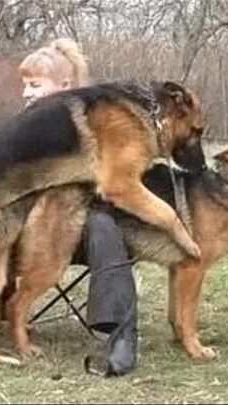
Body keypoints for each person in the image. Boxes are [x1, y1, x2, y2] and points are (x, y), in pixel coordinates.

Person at [16, 38, 140, 377]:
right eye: (24, 86)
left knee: (104, 226)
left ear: (64, 86)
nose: (26, 94)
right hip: (25, 231)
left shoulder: (93, 127)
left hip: (77, 230)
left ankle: (121, 336)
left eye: (34, 85)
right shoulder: (17, 127)